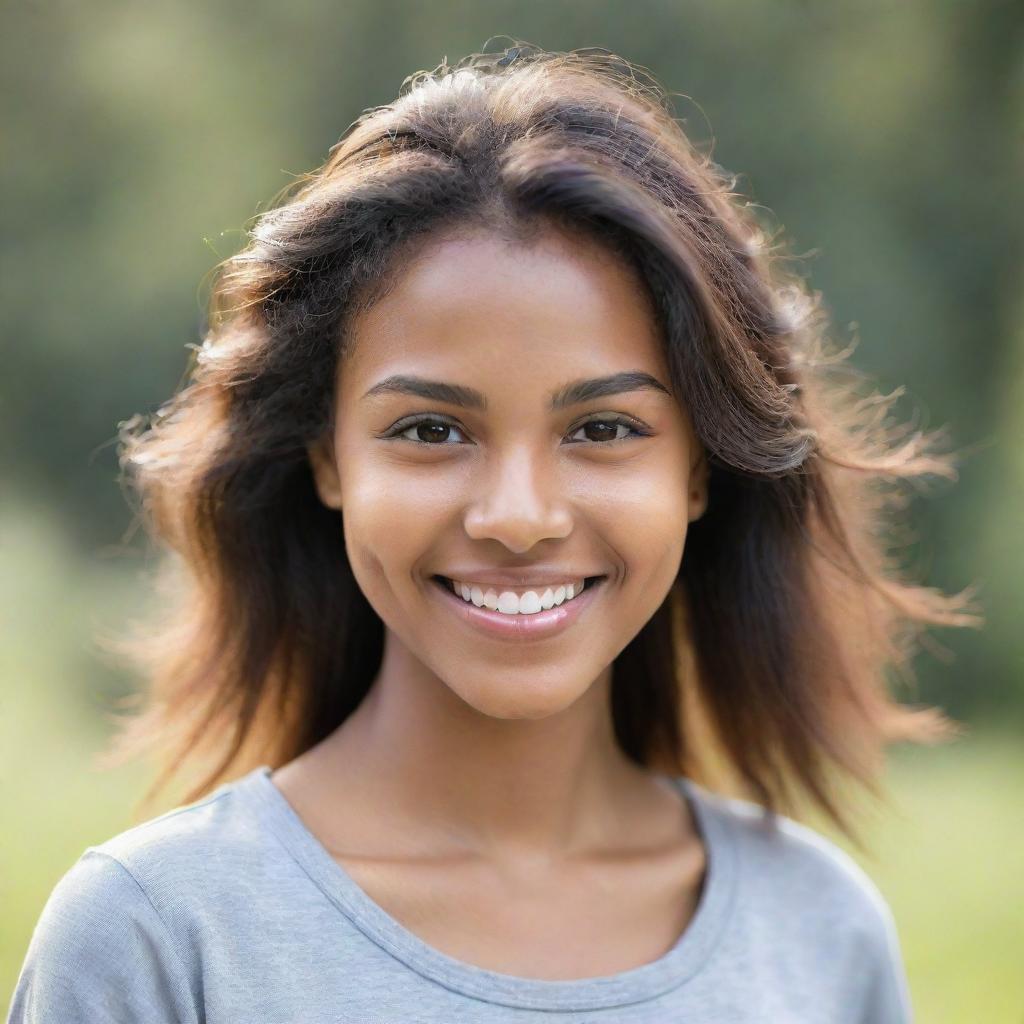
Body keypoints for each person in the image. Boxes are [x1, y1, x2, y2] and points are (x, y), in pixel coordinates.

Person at [7, 42, 979, 1023]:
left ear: (697, 467)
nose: (517, 516)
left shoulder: (816, 932)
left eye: (603, 429)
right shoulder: (159, 939)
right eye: (430, 430)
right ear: (328, 459)